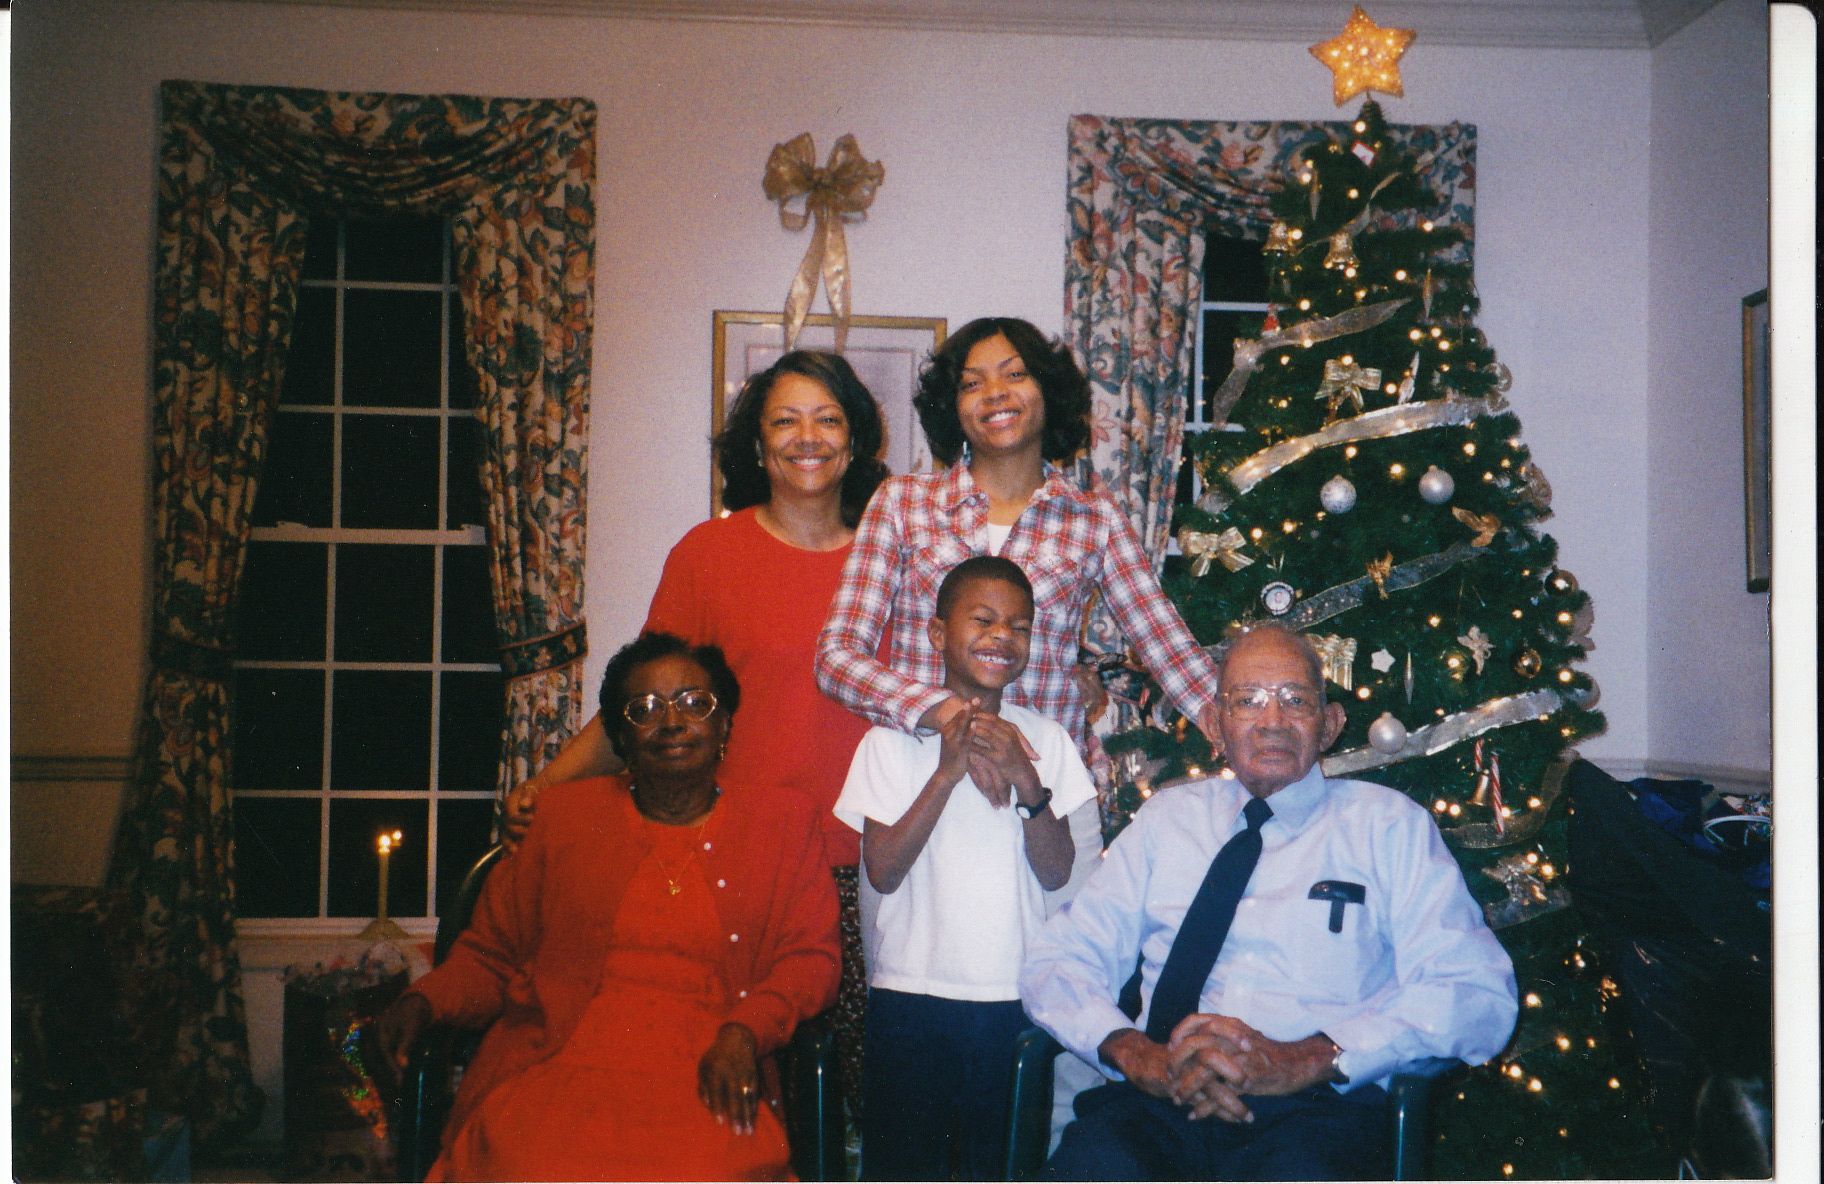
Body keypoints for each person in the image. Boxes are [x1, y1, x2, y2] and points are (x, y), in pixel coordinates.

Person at [501, 350, 888, 1106]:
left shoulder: (892, 556)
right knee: (721, 1076)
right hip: (738, 860)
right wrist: (544, 785)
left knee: (847, 1094)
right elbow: (645, 708)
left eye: (828, 418)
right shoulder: (708, 554)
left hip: (865, 863)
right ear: (756, 445)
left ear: (855, 442)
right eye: (785, 420)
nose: (807, 436)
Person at [1019, 624, 1517, 1181]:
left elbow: (1475, 991)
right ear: (1214, 724)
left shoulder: (1389, 828)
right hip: (1160, 1100)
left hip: (1315, 1113)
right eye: (1248, 701)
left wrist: (1307, 1058)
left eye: (1295, 700)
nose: (1272, 722)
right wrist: (1136, 1054)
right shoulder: (1167, 820)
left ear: (1329, 725)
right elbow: (1058, 960)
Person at [375, 634, 839, 1182]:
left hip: (710, 1063)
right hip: (560, 1060)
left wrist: (745, 1031)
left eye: (695, 703)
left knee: (707, 1170)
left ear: (725, 726)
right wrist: (423, 1001)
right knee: (526, 1164)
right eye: (643, 709)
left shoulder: (782, 823)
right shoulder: (562, 818)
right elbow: (491, 955)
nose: (671, 722)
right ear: (620, 737)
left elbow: (811, 961)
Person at [814, 316, 1222, 786]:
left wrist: (1234, 722)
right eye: (972, 383)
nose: (995, 393)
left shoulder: (1093, 518)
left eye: (1015, 375)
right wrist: (942, 711)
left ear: (1048, 393)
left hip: (1048, 786)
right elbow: (837, 657)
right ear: (953, 406)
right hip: (919, 781)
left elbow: (1167, 647)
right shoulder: (901, 503)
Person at [832, 556, 1098, 1180]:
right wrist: (947, 773)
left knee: (999, 1165)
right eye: (982, 620)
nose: (1001, 636)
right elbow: (883, 871)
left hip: (1011, 997)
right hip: (910, 996)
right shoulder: (890, 742)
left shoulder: (1048, 740)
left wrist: (1029, 783)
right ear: (937, 634)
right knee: (905, 1167)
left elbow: (1059, 872)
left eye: (1020, 626)